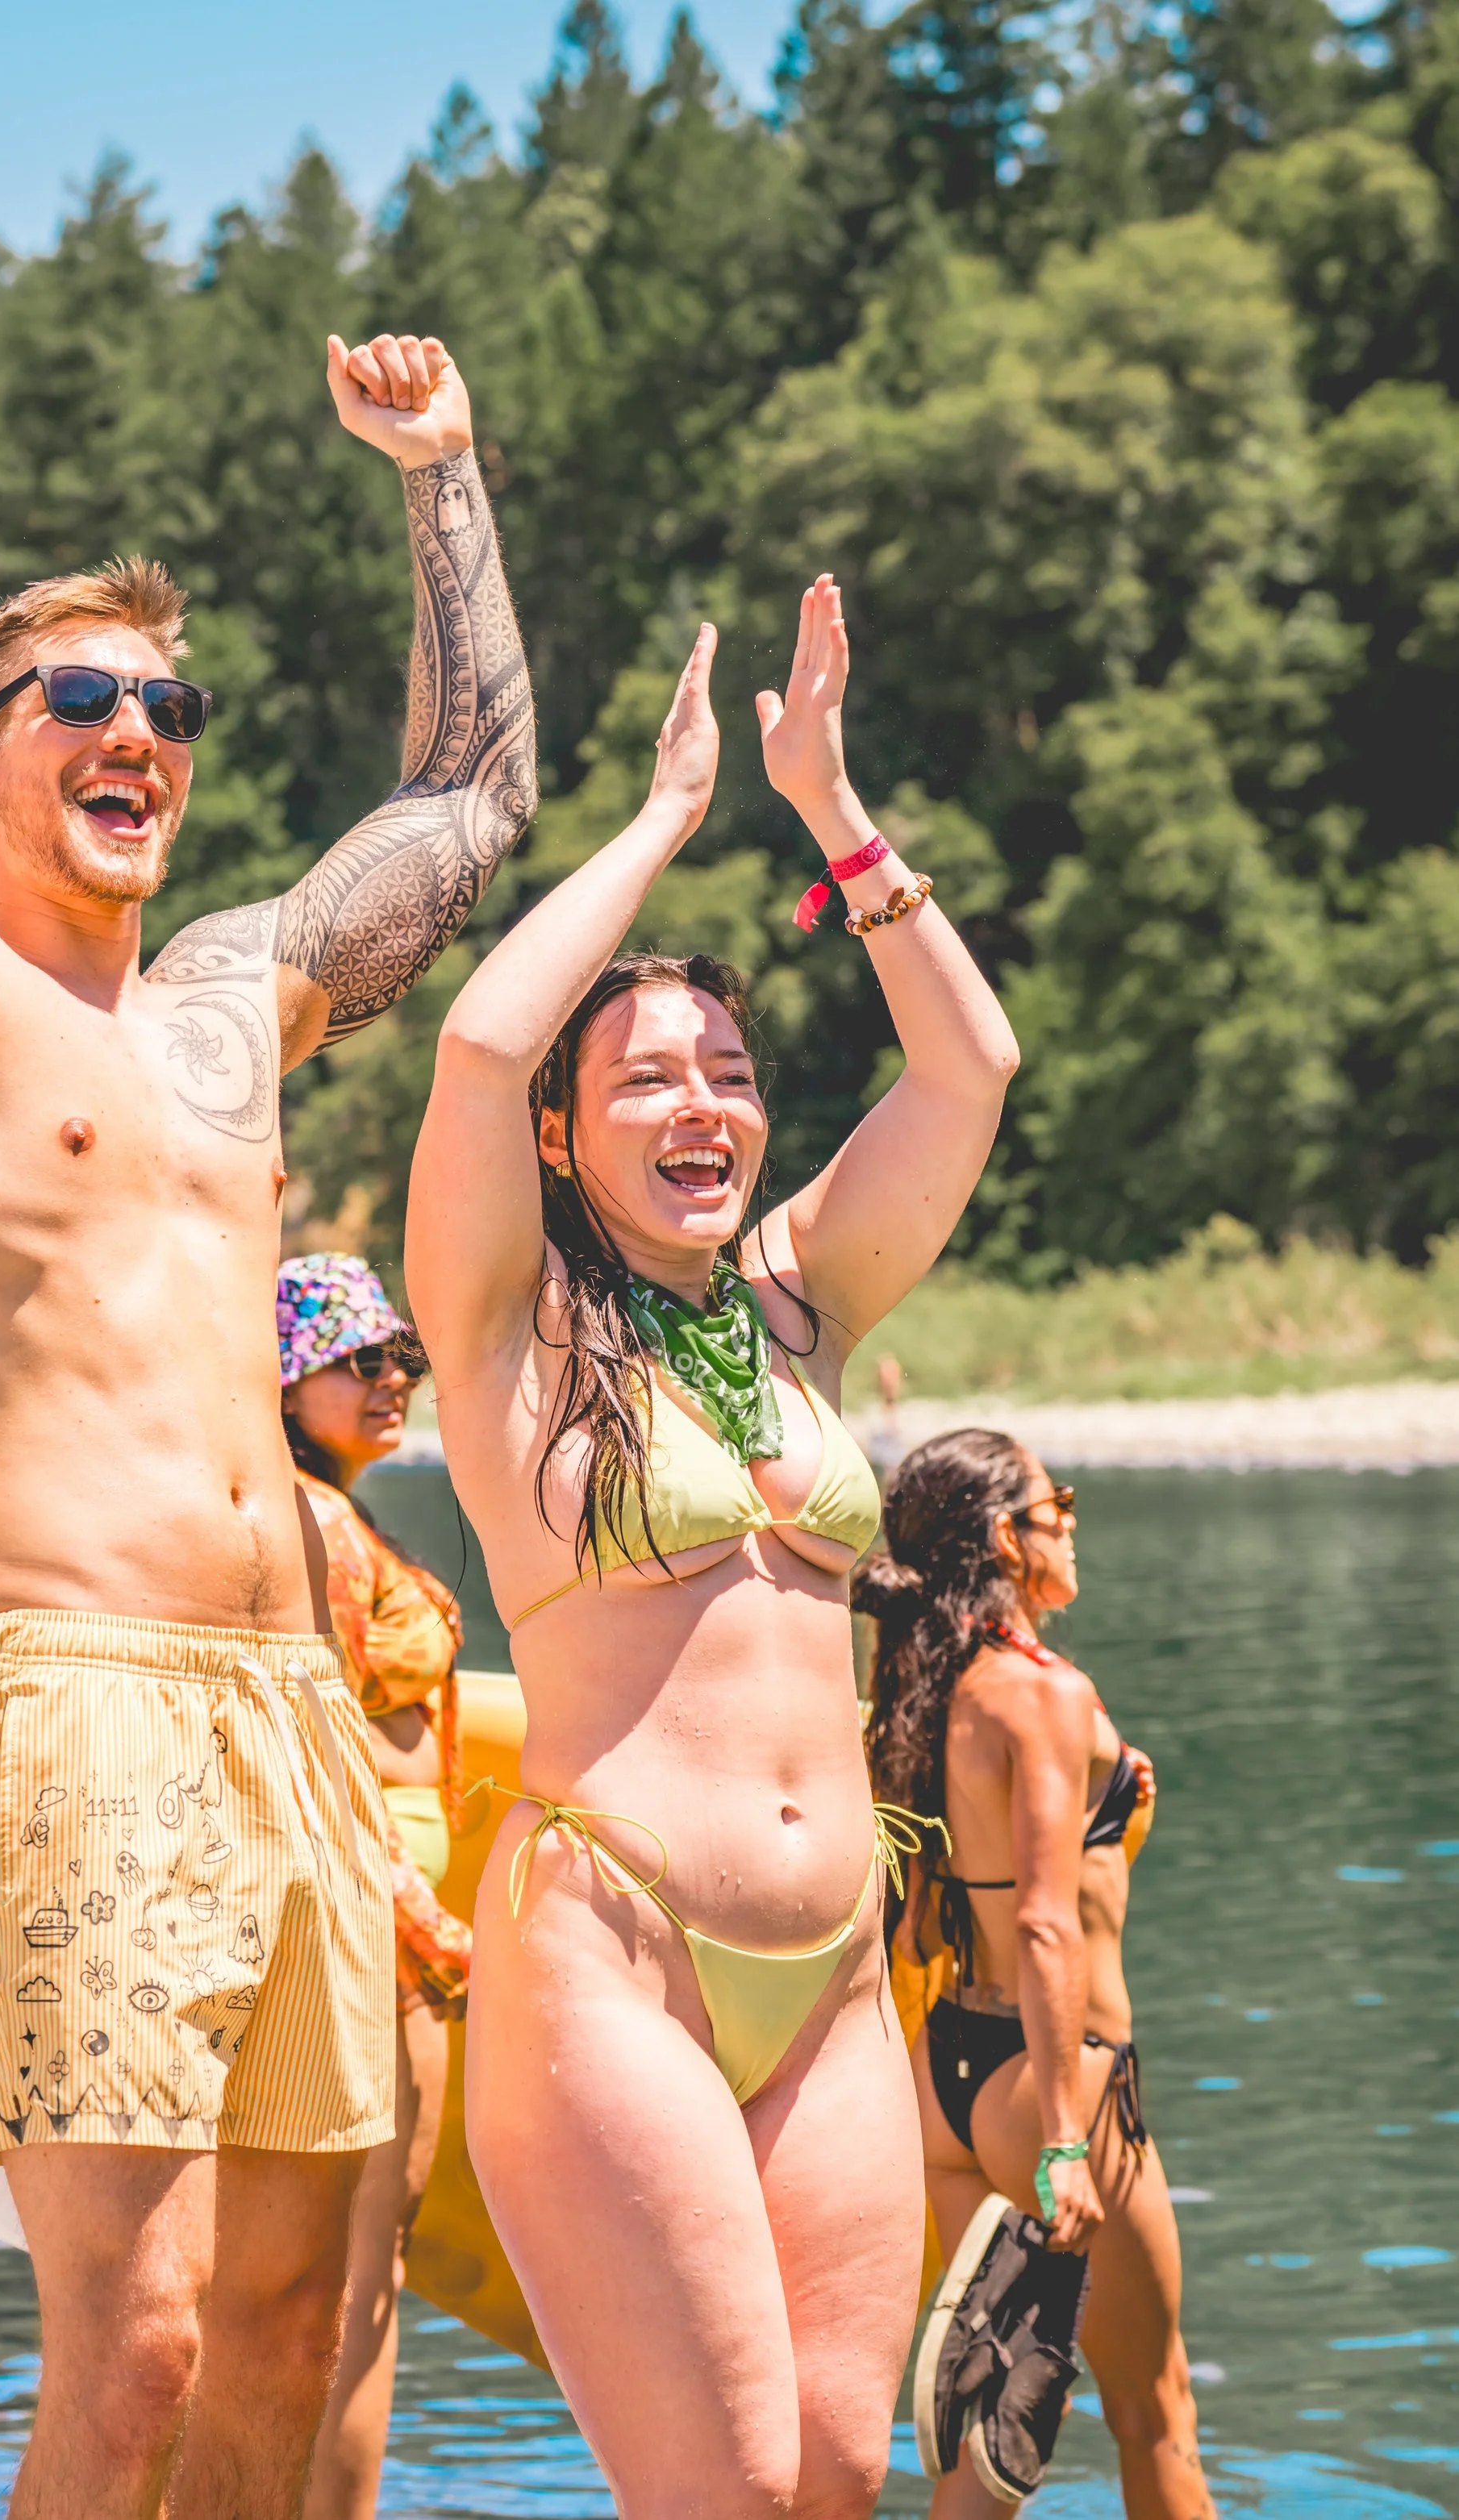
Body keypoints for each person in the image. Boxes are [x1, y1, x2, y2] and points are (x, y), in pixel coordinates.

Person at [0, 164, 535, 2520]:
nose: (136, 725)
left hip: (298, 1719)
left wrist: (439, 474)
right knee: (137, 2348)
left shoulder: (234, 1006)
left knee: (293, 2333)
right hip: (71, 1699)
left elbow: (473, 798)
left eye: (165, 699)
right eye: (82, 696)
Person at [403, 590, 1019, 2514]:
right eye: (648, 1078)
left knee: (840, 2476)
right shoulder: (504, 1318)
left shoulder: (791, 1307)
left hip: (836, 1967)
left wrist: (832, 810)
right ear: (569, 1138)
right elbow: (484, 1034)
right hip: (616, 1953)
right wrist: (666, 817)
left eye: (729, 1070)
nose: (702, 1102)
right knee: (726, 2490)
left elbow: (969, 1068)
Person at [860, 1433, 1216, 2518]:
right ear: (1009, 1536)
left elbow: (917, 1926)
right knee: (1155, 2412)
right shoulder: (1041, 1695)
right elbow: (1052, 1926)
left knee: (997, 2443)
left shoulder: (926, 1688)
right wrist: (1066, 2137)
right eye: (1056, 1501)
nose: (1073, 1520)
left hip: (951, 2085)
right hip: (1051, 2082)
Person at [274, 1254, 470, 2520]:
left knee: (321, 2276)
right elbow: (321, 1738)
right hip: (371, 1920)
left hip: (354, 1908)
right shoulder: (319, 1522)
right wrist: (423, 1922)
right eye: (360, 1359)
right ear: (286, 1380)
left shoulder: (312, 1507)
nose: (393, 1378)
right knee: (358, 2279)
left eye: (403, 1357)